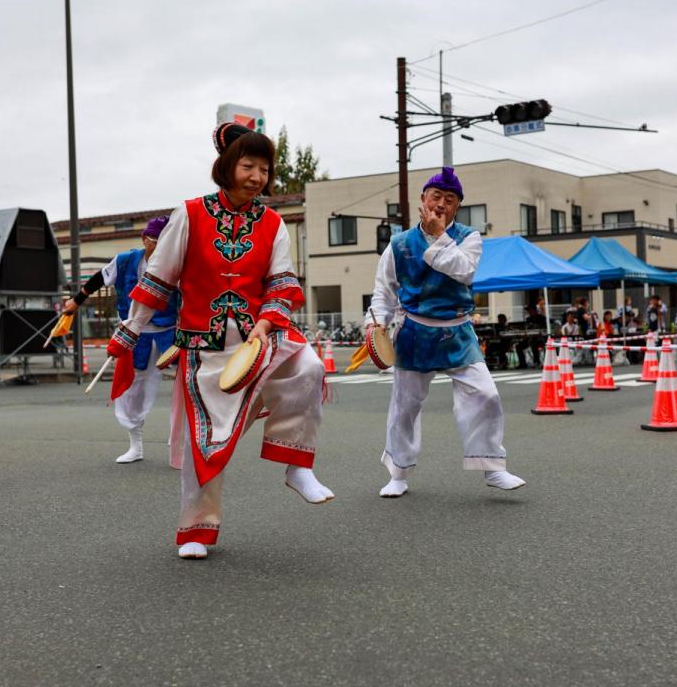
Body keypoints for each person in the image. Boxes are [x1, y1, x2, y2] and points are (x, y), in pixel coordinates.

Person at [105, 121, 332, 559]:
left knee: (309, 367)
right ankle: (197, 530)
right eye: (248, 166)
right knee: (202, 441)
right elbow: (158, 279)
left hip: (259, 337)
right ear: (227, 166)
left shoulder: (272, 223)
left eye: (264, 169)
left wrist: (268, 321)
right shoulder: (189, 214)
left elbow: (282, 283)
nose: (257, 177)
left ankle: (296, 465)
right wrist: (132, 328)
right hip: (203, 347)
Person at [366, 166, 525, 498]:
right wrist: (376, 323)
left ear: (457, 207)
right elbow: (384, 292)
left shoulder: (469, 237)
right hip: (413, 332)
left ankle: (493, 468)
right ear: (423, 198)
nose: (440, 204)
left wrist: (439, 236)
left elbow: (463, 271)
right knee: (404, 406)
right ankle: (398, 472)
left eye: (449, 200)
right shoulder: (397, 244)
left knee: (486, 395)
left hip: (457, 331)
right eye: (435, 196)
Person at [65, 217, 177, 463]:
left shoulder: (176, 262)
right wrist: (75, 302)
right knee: (133, 388)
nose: (160, 247)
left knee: (186, 384)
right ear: (144, 239)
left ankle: (178, 439)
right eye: (155, 242)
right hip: (135, 333)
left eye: (165, 242)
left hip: (171, 330)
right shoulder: (126, 260)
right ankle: (136, 445)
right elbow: (97, 279)